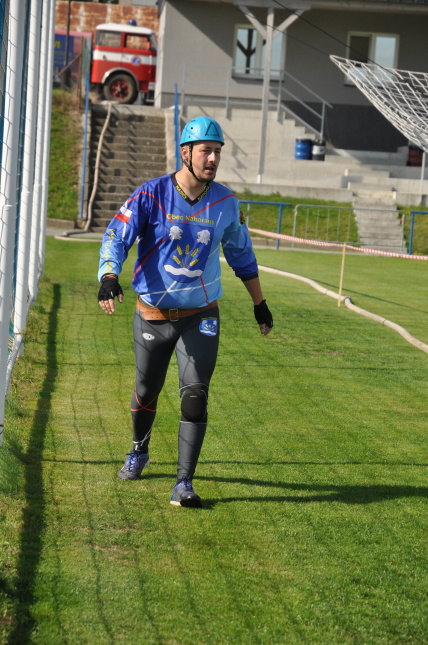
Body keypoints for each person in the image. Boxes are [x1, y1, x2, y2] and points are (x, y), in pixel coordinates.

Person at [97, 116, 273, 508]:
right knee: (147, 390)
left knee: (195, 395)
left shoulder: (226, 203)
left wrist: (259, 304)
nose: (213, 159)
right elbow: (116, 236)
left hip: (201, 316)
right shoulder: (151, 194)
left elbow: (242, 255)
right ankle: (139, 450)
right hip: (153, 315)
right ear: (186, 153)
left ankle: (184, 484)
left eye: (218, 152)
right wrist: (109, 276)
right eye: (206, 150)